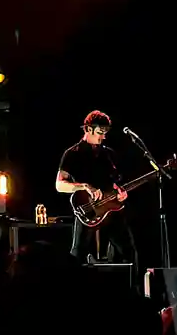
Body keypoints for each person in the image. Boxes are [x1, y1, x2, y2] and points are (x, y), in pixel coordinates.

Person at [55, 110, 136, 264]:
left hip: (111, 209)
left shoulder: (109, 154)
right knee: (78, 254)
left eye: (105, 133)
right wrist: (84, 186)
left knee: (129, 252)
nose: (103, 137)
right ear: (88, 129)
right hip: (88, 210)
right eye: (100, 132)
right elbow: (59, 185)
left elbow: (115, 182)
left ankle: (134, 286)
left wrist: (120, 193)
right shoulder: (72, 153)